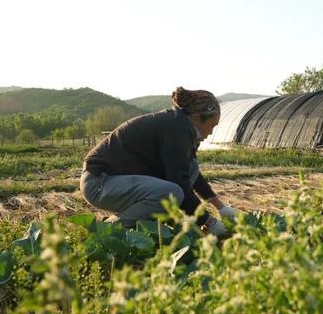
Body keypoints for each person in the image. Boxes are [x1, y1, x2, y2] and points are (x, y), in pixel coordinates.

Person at [80, 86, 237, 236]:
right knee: (171, 192)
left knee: (192, 167)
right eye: (211, 126)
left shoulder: (179, 124)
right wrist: (208, 221)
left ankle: (150, 221)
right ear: (197, 118)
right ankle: (110, 228)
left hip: (115, 181)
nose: (210, 132)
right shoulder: (175, 129)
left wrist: (221, 207)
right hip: (99, 183)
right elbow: (180, 182)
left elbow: (190, 175)